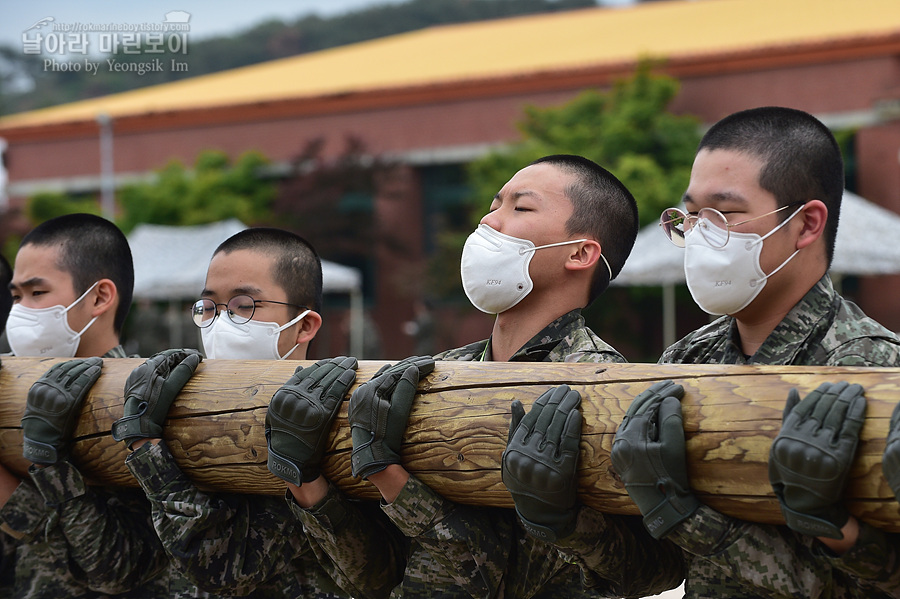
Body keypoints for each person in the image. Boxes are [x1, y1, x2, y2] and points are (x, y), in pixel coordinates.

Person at [275, 154, 685, 597]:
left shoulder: (605, 386)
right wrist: (307, 479)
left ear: (581, 253)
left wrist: (564, 521)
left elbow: (653, 571)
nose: (490, 220)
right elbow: (374, 578)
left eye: (520, 208)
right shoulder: (439, 373)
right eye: (494, 204)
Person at [608, 106, 900, 597]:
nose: (700, 233)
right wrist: (562, 520)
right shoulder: (686, 360)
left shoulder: (872, 367)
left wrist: (840, 533)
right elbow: (651, 570)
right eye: (692, 215)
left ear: (807, 225)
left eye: (724, 214)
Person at [113, 227, 351, 597]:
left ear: (305, 325)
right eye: (208, 307)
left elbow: (221, 570)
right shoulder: (183, 401)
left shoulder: (321, 417)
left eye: (244, 306)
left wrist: (147, 449)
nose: (220, 323)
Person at [0, 213, 192, 597]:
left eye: (37, 293)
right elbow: (18, 536)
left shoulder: (150, 402)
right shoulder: (12, 389)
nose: (19, 312)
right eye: (16, 296)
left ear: (100, 297)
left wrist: (50, 463)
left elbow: (117, 569)